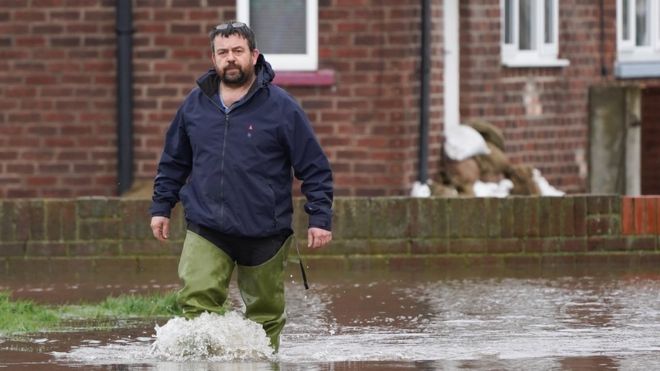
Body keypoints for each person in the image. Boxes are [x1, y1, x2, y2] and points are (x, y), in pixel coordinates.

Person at [149, 21, 333, 351]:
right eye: (223, 52)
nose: (230, 59)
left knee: (265, 317)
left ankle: (263, 361)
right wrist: (161, 207)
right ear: (214, 58)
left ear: (254, 55)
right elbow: (174, 161)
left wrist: (320, 218)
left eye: (237, 51)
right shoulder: (194, 104)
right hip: (207, 224)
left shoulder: (282, 107)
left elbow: (314, 167)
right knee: (197, 307)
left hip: (265, 229)